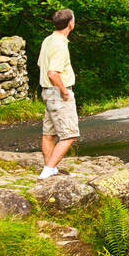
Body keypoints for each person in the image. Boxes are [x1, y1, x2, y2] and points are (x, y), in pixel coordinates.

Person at [37, 9, 79, 179]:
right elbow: (52, 73)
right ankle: (48, 170)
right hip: (58, 92)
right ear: (70, 23)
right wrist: (64, 92)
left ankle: (50, 168)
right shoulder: (59, 45)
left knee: (49, 133)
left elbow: (41, 65)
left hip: (47, 92)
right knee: (70, 135)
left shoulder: (48, 40)